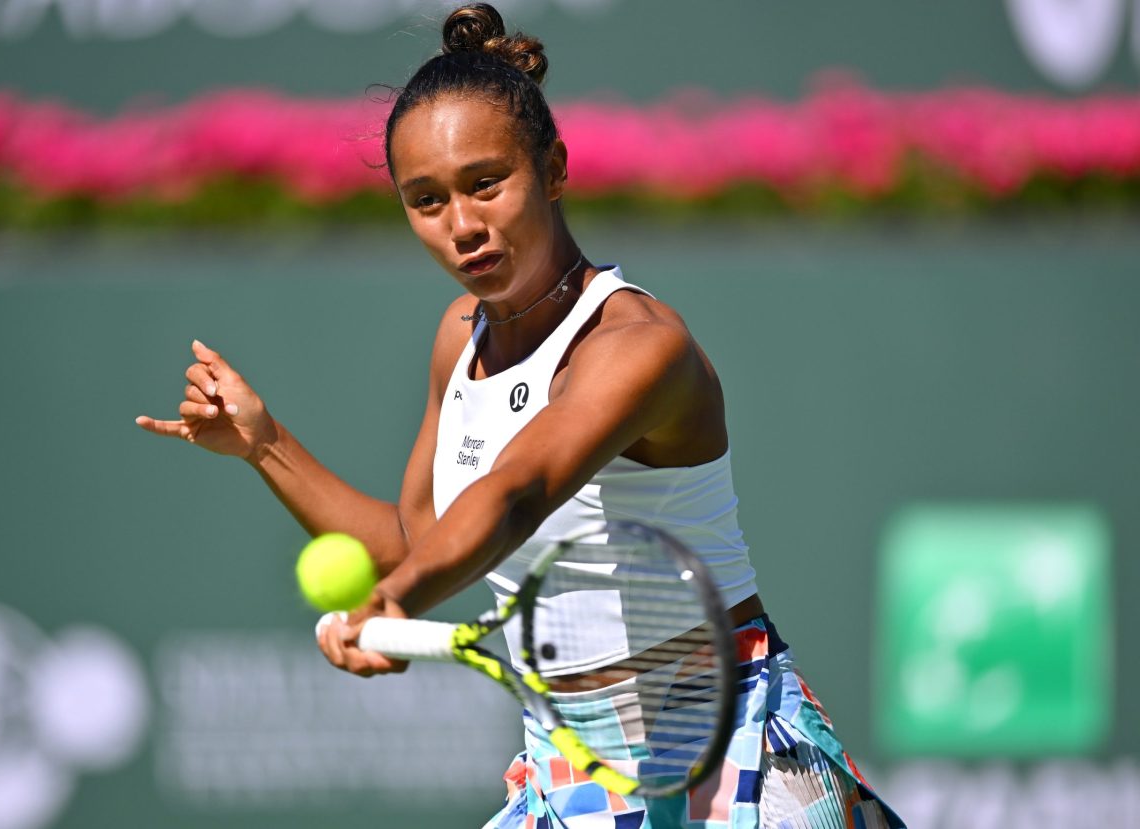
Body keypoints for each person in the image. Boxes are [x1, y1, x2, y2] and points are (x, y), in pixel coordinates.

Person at [136, 4, 902, 827]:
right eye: (425, 200)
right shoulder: (456, 340)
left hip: (727, 750)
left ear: (555, 168)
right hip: (567, 760)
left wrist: (393, 601)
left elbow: (516, 488)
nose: (462, 225)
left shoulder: (639, 345)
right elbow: (421, 540)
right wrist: (266, 444)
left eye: (486, 184)